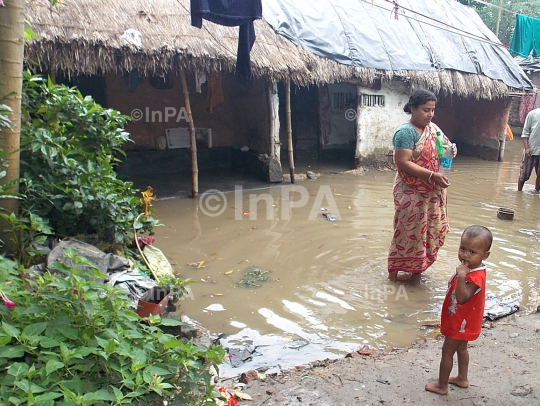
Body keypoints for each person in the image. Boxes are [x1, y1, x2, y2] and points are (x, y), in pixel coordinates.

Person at [388, 89, 457, 281]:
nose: (430, 114)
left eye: (433, 110)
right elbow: (403, 162)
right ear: (413, 108)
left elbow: (444, 147)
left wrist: (452, 149)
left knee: (427, 234)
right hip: (411, 193)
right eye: (426, 110)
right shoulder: (405, 132)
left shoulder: (433, 129)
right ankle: (393, 278)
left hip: (431, 192)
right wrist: (431, 175)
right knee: (406, 234)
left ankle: (416, 274)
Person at [425, 225, 492, 396]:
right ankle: (462, 378)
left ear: (485, 255)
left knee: (447, 351)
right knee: (462, 348)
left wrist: (461, 275)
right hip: (465, 321)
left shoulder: (474, 276)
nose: (465, 255)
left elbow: (462, 298)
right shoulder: (474, 269)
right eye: (463, 249)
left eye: (472, 252)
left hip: (460, 323)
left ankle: (442, 385)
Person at [517, 107, 540, 192]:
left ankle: (536, 193)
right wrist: (527, 148)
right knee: (524, 175)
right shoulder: (533, 114)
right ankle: (519, 192)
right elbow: (525, 132)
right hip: (531, 150)